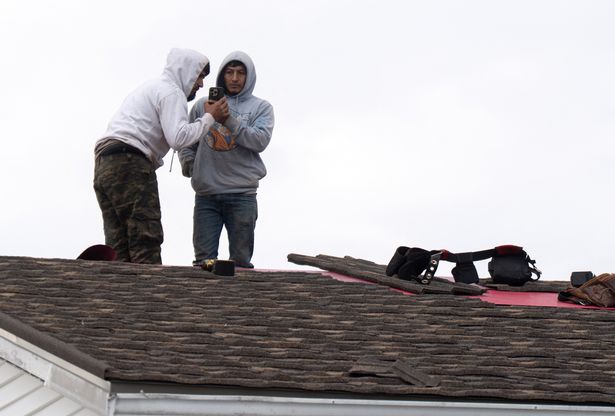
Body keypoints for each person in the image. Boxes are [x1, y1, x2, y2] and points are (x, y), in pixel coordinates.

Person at [93, 48, 229, 264]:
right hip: (130, 162)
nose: (201, 84)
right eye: (200, 76)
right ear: (187, 72)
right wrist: (210, 117)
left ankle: (122, 293)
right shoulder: (171, 92)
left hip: (105, 164)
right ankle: (147, 293)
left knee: (119, 245)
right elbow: (178, 138)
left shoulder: (150, 87)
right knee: (145, 236)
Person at [179, 51, 274, 268]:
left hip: (242, 195)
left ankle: (239, 303)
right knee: (203, 263)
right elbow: (187, 139)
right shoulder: (203, 104)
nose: (234, 78)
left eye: (240, 73)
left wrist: (227, 119)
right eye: (229, 72)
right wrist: (191, 166)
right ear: (222, 75)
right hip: (207, 195)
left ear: (248, 76)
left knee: (240, 263)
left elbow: (260, 141)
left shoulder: (262, 108)